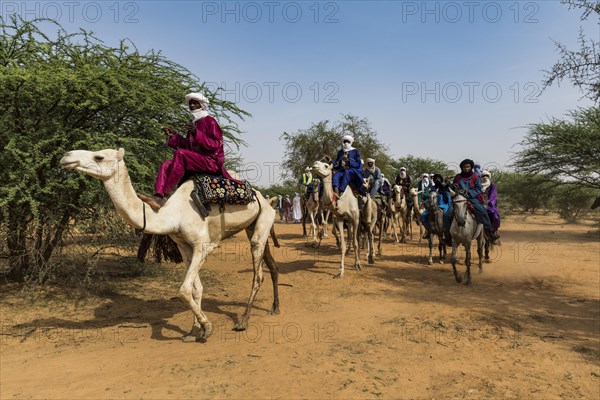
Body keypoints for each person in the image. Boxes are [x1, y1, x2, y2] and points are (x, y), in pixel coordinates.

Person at [137, 92, 234, 210]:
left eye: (195, 103)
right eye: (190, 103)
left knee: (180, 153)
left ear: (202, 105)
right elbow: (188, 145)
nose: (192, 105)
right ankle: (158, 196)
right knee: (166, 164)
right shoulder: (194, 123)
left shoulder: (210, 122)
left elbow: (215, 145)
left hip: (210, 161)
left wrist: (196, 133)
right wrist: (174, 136)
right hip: (196, 159)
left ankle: (167, 195)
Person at [452, 159, 500, 244]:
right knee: (448, 212)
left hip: (472, 198)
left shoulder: (475, 177)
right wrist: (454, 187)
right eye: (464, 167)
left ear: (471, 167)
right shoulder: (458, 177)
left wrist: (469, 193)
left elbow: (478, 189)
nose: (466, 168)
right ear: (462, 168)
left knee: (483, 212)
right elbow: (454, 187)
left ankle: (489, 233)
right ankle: (448, 235)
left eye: (468, 167)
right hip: (459, 198)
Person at [332, 135, 367, 206]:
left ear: (350, 142)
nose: (346, 143)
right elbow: (337, 165)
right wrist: (331, 161)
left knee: (347, 173)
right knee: (336, 175)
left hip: (353, 171)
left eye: (348, 142)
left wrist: (348, 161)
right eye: (345, 141)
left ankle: (341, 190)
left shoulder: (355, 151)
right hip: (342, 170)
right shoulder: (340, 152)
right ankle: (336, 191)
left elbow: (357, 164)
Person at [420, 174, 453, 242]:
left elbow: (451, 187)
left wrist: (448, 182)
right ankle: (429, 230)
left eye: (439, 179)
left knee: (447, 216)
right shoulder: (433, 188)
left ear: (441, 180)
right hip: (434, 206)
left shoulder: (444, 186)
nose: (437, 180)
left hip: (445, 205)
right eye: (436, 179)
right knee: (423, 216)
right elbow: (429, 196)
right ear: (434, 180)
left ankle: (448, 234)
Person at [481, 170, 501, 237]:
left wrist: (488, 202)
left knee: (493, 214)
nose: (485, 177)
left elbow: (493, 196)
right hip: (479, 203)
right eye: (483, 176)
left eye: (486, 176)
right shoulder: (479, 186)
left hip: (489, 205)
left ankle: (492, 231)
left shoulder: (492, 185)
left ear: (489, 177)